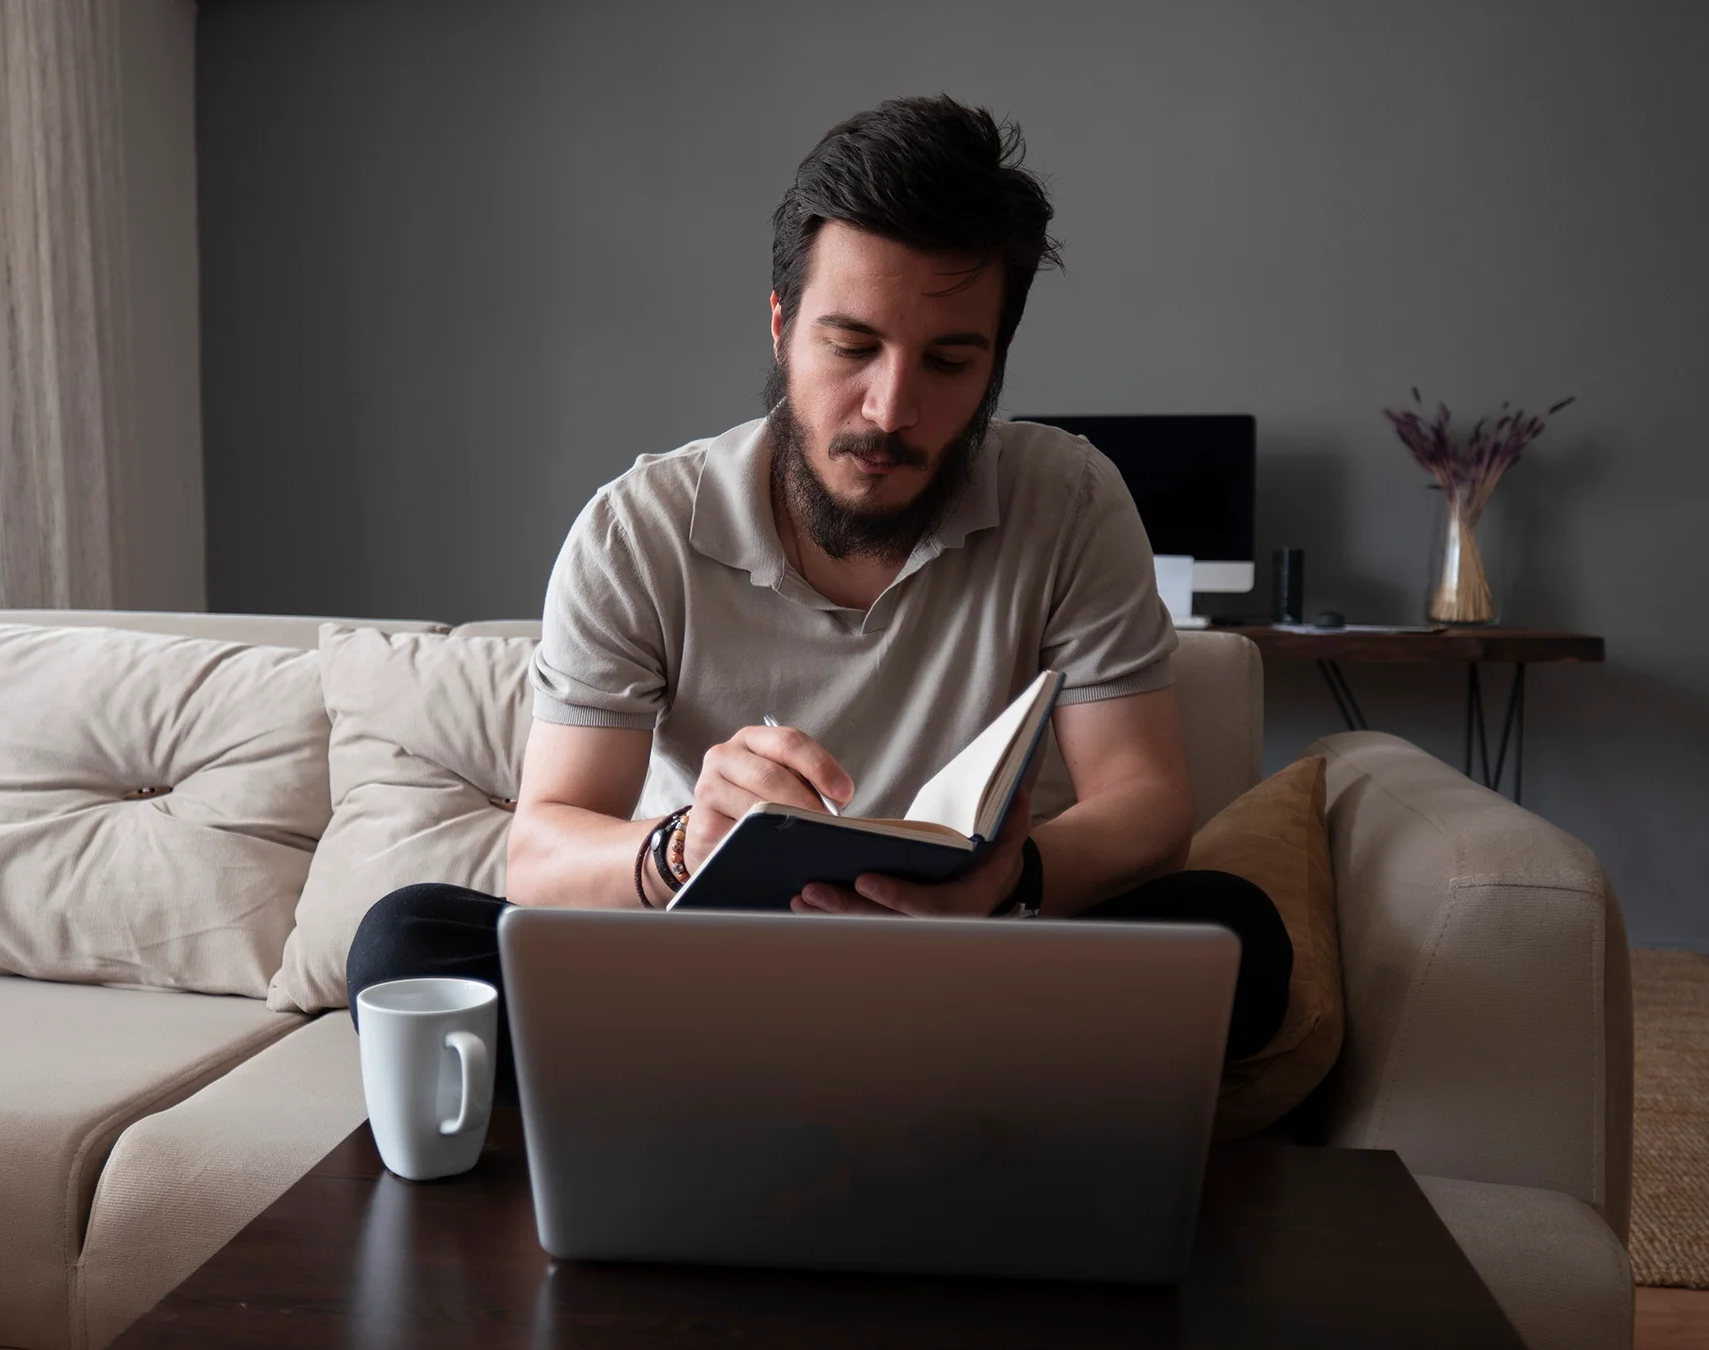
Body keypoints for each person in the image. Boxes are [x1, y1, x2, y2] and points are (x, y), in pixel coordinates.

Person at [348, 95, 1289, 1099]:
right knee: (405, 944)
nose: (892, 408)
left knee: (1241, 936)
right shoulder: (639, 527)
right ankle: (903, 1079)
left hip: (975, 958)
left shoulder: (1069, 499)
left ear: (996, 366)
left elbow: (1147, 804)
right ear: (783, 324)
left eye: (948, 361)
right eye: (851, 346)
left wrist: (1013, 880)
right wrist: (680, 851)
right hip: (714, 970)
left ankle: (780, 1080)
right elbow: (541, 849)